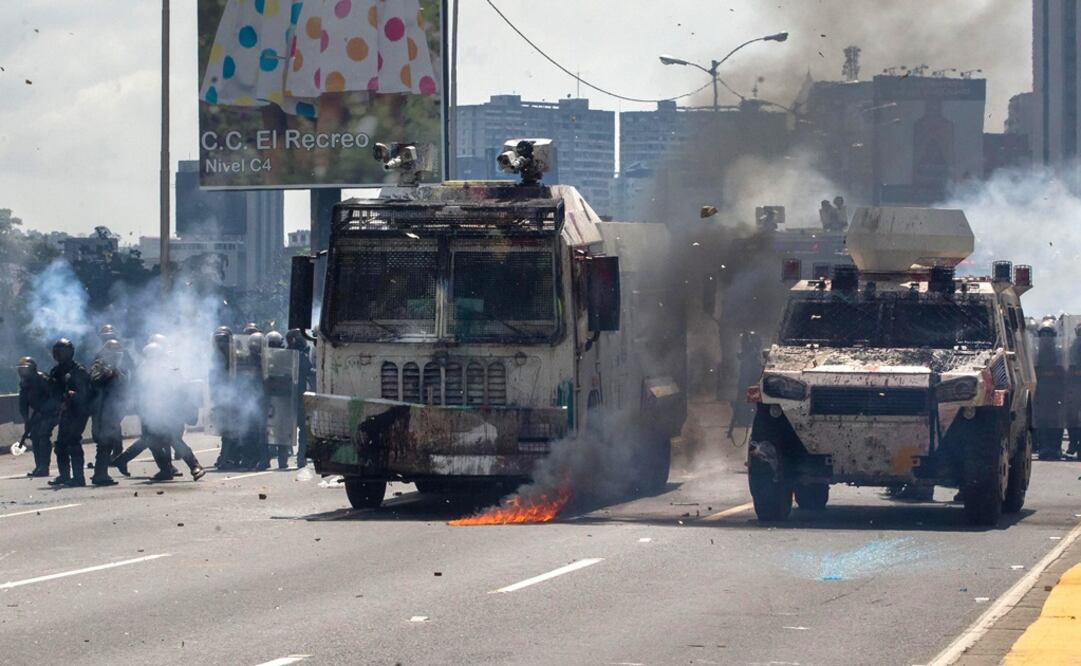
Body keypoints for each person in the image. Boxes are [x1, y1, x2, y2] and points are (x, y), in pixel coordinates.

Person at [114, 343, 205, 482]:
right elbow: (138, 393)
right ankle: (165, 470)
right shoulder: (143, 373)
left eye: (154, 356)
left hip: (170, 412)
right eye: (149, 357)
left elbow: (181, 392)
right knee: (153, 442)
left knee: (174, 440)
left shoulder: (171, 371)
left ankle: (195, 466)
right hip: (150, 412)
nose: (152, 359)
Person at [48, 338, 95, 487]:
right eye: (57, 352)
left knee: (73, 442)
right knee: (60, 445)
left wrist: (75, 395)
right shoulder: (56, 371)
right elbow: (53, 392)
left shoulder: (78, 371)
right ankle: (64, 476)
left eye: (61, 352)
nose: (58, 355)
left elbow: (87, 393)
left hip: (79, 411)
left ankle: (78, 478)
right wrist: (58, 403)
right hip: (65, 411)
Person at [88, 339, 129, 486]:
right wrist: (106, 375)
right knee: (104, 442)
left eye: (117, 353)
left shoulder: (119, 368)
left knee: (108, 442)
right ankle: (100, 474)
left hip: (113, 409)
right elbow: (93, 380)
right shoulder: (99, 365)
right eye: (112, 353)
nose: (115, 356)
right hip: (101, 409)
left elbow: (124, 385)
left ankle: (101, 473)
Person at [17, 356, 59, 478]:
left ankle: (44, 467)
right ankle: (39, 466)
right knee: (34, 435)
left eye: (25, 369)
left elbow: (54, 397)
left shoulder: (43, 379)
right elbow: (23, 403)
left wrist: (44, 410)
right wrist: (26, 420)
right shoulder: (24, 383)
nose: (23, 372)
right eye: (21, 369)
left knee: (43, 435)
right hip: (38, 412)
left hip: (52, 412)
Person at [210, 326, 242, 470]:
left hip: (235, 397)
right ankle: (226, 457)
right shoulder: (215, 357)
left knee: (232, 430)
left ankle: (229, 457)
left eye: (223, 340)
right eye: (219, 340)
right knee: (227, 430)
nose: (221, 344)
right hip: (223, 398)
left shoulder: (236, 355)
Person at [287, 329, 314, 469]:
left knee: (295, 427)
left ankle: (298, 457)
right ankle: (301, 457)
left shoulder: (285, 355)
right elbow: (309, 371)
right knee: (302, 429)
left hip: (291, 397)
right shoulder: (301, 356)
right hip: (296, 397)